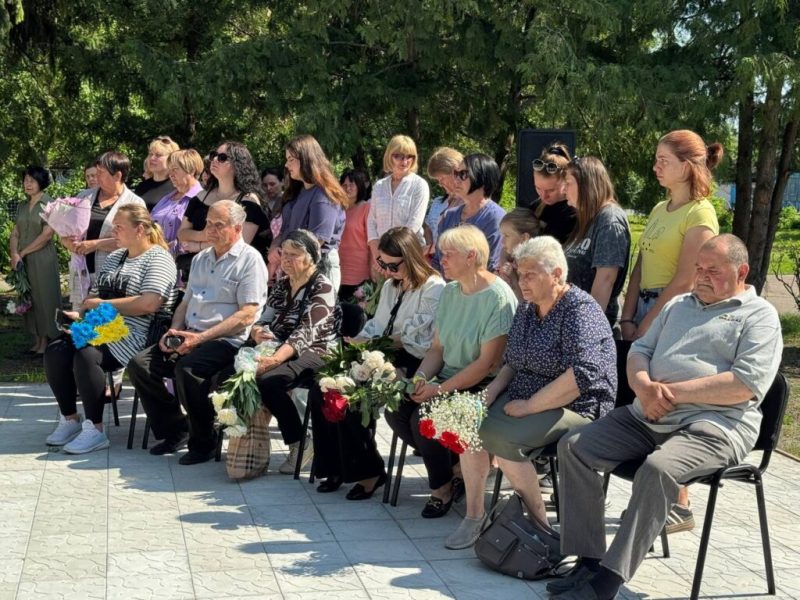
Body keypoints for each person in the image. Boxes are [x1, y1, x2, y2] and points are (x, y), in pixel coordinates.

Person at [551, 234, 782, 600]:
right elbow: (639, 349)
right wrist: (644, 386)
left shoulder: (760, 317)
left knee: (658, 470)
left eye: (713, 271)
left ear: (742, 272)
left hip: (714, 425)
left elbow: (745, 384)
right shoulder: (678, 305)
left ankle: (608, 580)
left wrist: (670, 394)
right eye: (698, 268)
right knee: (575, 447)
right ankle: (589, 560)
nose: (702, 276)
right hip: (649, 414)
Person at [445, 236, 616, 549]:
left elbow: (581, 375)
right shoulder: (527, 309)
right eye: (520, 274)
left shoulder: (580, 310)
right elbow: (512, 361)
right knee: (468, 425)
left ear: (557, 275)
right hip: (523, 397)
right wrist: (493, 391)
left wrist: (531, 405)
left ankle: (539, 527)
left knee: (507, 442)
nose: (521, 282)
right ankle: (474, 515)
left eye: (530, 275)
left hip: (576, 405)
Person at [618, 130, 722, 527]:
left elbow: (684, 280)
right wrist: (628, 315)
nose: (655, 166)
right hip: (644, 305)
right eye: (656, 157)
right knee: (641, 401)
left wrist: (646, 324)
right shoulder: (662, 208)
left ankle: (678, 503)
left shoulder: (701, 214)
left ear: (688, 165)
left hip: (674, 310)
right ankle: (655, 494)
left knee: (664, 399)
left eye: (664, 159)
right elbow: (641, 265)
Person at [385, 225, 517, 518]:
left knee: (425, 418)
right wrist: (420, 379)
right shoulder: (452, 292)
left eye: (448, 255)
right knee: (395, 409)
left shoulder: (498, 297)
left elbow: (487, 364)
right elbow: (437, 350)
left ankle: (441, 488)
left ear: (471, 257)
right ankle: (455, 469)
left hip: (484, 384)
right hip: (447, 377)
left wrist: (438, 391)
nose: (440, 260)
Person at [127, 201, 268, 465]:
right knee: (140, 365)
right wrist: (174, 332)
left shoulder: (250, 260)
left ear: (237, 228)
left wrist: (200, 338)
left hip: (226, 340)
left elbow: (247, 314)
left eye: (218, 225)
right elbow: (185, 303)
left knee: (188, 370)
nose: (209, 230)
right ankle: (175, 429)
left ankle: (203, 441)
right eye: (208, 224)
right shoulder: (202, 258)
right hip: (190, 332)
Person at [311, 227, 445, 497]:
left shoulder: (434, 288)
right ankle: (334, 465)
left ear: (410, 258)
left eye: (392, 265)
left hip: (413, 359)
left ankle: (368, 471)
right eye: (381, 263)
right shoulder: (390, 286)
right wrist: (357, 342)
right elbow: (377, 325)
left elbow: (416, 338)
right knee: (323, 386)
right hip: (380, 350)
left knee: (354, 395)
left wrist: (371, 345)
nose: (385, 270)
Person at [43, 204, 177, 453]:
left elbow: (149, 303)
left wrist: (103, 304)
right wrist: (80, 314)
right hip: (103, 327)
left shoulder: (158, 258)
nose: (113, 230)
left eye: (119, 227)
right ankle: (70, 418)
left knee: (87, 353)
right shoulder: (117, 256)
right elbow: (94, 296)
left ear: (139, 229)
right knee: (57, 349)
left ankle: (95, 429)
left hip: (137, 333)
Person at [248, 230, 341, 474]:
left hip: (317, 349)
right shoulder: (282, 285)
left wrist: (273, 360)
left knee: (270, 381)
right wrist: (257, 332)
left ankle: (300, 442)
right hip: (279, 345)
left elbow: (305, 334)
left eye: (294, 254)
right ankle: (242, 439)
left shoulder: (323, 287)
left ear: (311, 257)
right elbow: (264, 318)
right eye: (283, 253)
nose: (286, 260)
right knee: (231, 368)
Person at [176, 141, 270, 281]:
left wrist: (197, 246)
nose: (214, 160)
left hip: (232, 276)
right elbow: (182, 234)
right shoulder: (200, 197)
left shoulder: (248, 201)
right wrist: (204, 235)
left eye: (222, 158)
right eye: (214, 155)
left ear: (237, 165)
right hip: (197, 273)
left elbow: (238, 245)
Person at [63, 152, 145, 308]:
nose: (96, 177)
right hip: (82, 272)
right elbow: (67, 231)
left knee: (106, 324)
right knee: (81, 324)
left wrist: (96, 245)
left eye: (101, 173)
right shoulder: (84, 196)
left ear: (117, 176)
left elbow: (136, 242)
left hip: (114, 277)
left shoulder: (135, 203)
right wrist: (67, 241)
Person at [270, 135, 349, 291]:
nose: (286, 165)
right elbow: (286, 231)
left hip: (318, 269)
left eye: (291, 159)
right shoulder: (297, 191)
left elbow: (316, 241)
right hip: (294, 266)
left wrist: (284, 255)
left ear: (306, 159)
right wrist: (274, 248)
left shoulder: (323, 195)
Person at [563, 156, 631, 327]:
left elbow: (606, 279)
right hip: (572, 320)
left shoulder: (609, 219)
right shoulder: (588, 218)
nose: (563, 189)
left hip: (591, 327)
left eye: (568, 183)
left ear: (587, 184)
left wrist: (588, 329)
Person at [9, 167, 61, 353]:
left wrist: (22, 253)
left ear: (41, 182)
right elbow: (15, 232)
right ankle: (37, 340)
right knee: (29, 298)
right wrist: (15, 253)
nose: (27, 184)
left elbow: (47, 235)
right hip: (23, 259)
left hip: (42, 258)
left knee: (44, 298)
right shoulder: (23, 205)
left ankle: (48, 340)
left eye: (32, 180)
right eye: (25, 180)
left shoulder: (50, 204)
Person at [432, 153, 506, 274]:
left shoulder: (496, 218)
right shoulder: (448, 216)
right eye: (455, 174)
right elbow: (437, 261)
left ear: (481, 177)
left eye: (463, 174)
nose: (456, 179)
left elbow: (490, 266)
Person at [367, 135, 429, 274]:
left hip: (409, 258)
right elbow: (371, 222)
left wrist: (392, 260)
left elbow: (414, 225)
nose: (405, 161)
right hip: (381, 261)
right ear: (389, 156)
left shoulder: (419, 185)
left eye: (409, 156)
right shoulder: (379, 186)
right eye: (399, 156)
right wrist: (379, 258)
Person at [150, 149, 204, 255]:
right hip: (156, 258)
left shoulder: (201, 199)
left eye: (175, 169)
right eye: (170, 170)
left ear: (191, 170)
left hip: (182, 264)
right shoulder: (166, 199)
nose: (171, 174)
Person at [529, 143, 576, 243]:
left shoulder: (574, 213)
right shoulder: (535, 207)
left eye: (551, 190)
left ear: (566, 181)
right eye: (538, 188)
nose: (543, 196)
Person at [337, 168, 373, 301]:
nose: (348, 188)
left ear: (359, 186)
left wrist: (373, 269)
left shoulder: (366, 208)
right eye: (344, 185)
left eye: (351, 185)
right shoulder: (336, 209)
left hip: (359, 273)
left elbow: (372, 242)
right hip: (337, 271)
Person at [424, 147, 464, 254]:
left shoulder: (469, 203)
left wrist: (431, 250)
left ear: (455, 171)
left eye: (441, 179)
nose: (440, 184)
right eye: (438, 180)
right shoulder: (440, 201)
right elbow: (428, 226)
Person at [497, 207, 541, 300]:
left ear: (524, 237)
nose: (502, 241)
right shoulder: (514, 259)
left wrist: (511, 277)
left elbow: (523, 303)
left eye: (507, 236)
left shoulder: (533, 267)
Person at [134, 136, 180, 211]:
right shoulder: (142, 186)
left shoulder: (177, 187)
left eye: (158, 155)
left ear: (171, 159)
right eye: (150, 154)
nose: (152, 158)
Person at [261, 166, 285, 241]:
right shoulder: (259, 201)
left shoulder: (288, 201)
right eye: (265, 185)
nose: (268, 188)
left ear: (282, 182)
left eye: (272, 184)